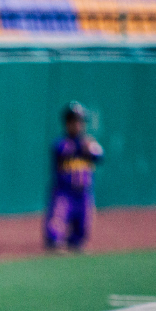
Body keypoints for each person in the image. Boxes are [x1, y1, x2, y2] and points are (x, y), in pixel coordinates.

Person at [44, 102, 103, 252]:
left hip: (83, 193)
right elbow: (61, 151)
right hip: (65, 193)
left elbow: (100, 155)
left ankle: (75, 242)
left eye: (80, 121)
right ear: (67, 123)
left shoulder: (89, 143)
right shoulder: (62, 143)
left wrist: (89, 148)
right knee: (57, 222)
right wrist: (80, 147)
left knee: (82, 228)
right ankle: (54, 242)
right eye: (74, 121)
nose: (77, 125)